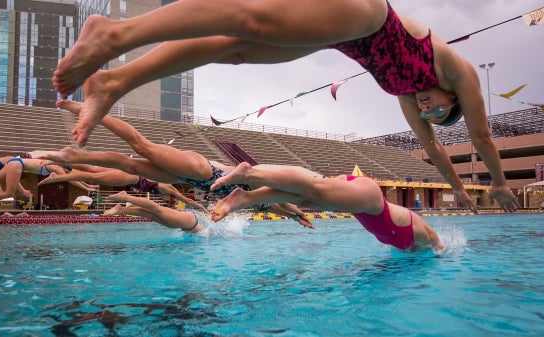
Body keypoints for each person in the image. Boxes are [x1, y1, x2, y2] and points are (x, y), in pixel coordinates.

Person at [52, 0, 518, 213]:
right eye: (438, 108)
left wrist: (459, 189)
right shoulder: (457, 70)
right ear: (452, 95)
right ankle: (117, 34)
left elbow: (433, 149)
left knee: (234, 50)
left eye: (432, 114)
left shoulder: (406, 92)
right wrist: (496, 180)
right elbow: (480, 137)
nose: (428, 110)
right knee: (252, 19)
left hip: (345, 39)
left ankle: (114, 82)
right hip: (371, 18)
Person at [41, 100, 314, 228]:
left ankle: (74, 157)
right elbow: (287, 203)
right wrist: (299, 210)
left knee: (132, 166)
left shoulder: (267, 202)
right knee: (141, 146)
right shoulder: (269, 188)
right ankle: (90, 111)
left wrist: (298, 217)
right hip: (206, 171)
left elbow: (285, 209)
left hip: (197, 179)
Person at [210, 162, 444, 252]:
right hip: (371, 201)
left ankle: (246, 197)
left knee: (305, 199)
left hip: (359, 203)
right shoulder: (422, 236)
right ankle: (251, 173)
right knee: (315, 189)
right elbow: (434, 239)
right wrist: (442, 249)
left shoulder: (408, 246)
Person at [37, 164, 208, 212]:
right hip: (131, 178)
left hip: (129, 175)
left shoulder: (165, 181)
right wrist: (201, 207)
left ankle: (65, 161)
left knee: (93, 170)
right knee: (93, 175)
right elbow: (187, 201)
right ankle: (57, 176)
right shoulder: (170, 189)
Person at [0, 156, 94, 215]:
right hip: (16, 164)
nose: (65, 173)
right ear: (63, 167)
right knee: (7, 193)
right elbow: (70, 179)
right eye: (66, 171)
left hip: (15, 162)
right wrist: (86, 187)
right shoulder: (56, 166)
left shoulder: (52, 165)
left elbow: (73, 177)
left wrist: (86, 184)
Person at [104, 191, 204, 233]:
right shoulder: (215, 234)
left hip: (186, 225)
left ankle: (121, 210)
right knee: (157, 209)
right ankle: (125, 196)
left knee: (148, 214)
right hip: (189, 222)